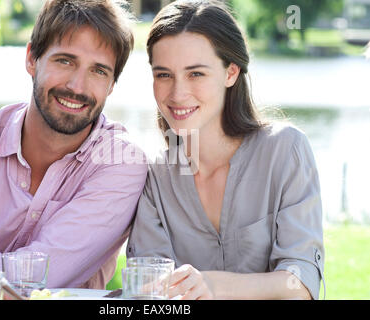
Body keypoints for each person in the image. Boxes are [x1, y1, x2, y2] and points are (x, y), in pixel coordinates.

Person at [0, 0, 147, 297]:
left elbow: (41, 275)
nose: (77, 86)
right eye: (65, 61)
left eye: (99, 71)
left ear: (112, 85)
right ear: (32, 59)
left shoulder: (121, 165)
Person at [127, 0, 325, 300]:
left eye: (196, 74)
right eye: (163, 74)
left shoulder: (285, 151)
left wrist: (214, 285)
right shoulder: (155, 178)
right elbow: (148, 290)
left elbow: (300, 284)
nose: (178, 93)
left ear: (230, 73)